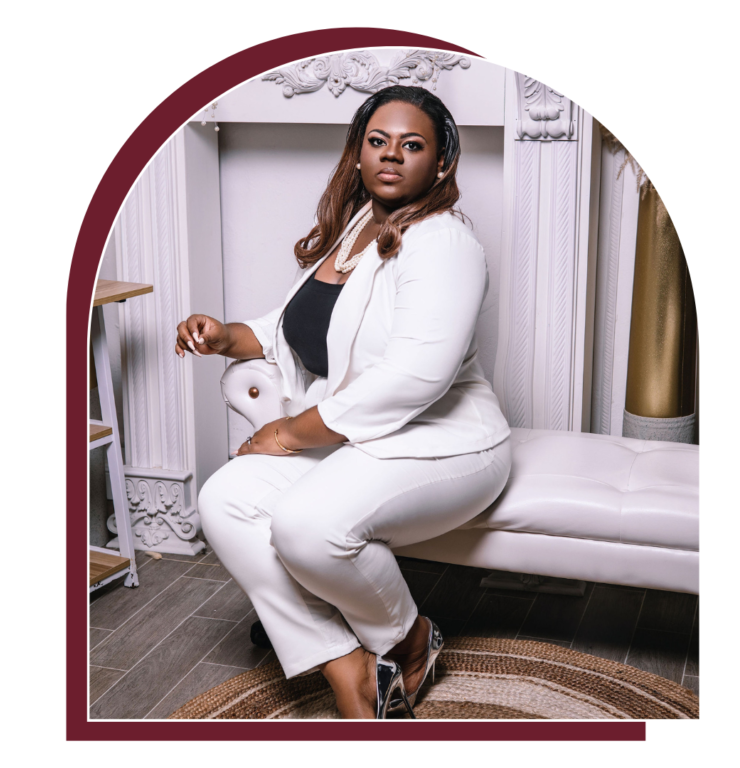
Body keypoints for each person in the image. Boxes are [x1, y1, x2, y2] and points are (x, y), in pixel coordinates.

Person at [175, 85, 511, 719]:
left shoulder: (444, 242)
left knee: (306, 525)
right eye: (377, 141)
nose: (392, 155)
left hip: (446, 440)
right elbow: (291, 329)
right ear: (358, 153)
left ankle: (410, 640)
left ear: (441, 163)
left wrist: (287, 433)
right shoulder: (358, 228)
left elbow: (415, 377)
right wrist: (223, 336)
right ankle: (345, 665)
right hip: (362, 437)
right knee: (224, 499)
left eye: (412, 145)